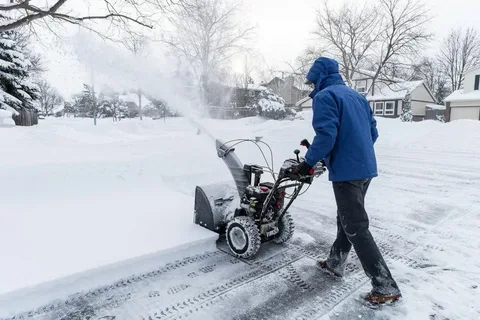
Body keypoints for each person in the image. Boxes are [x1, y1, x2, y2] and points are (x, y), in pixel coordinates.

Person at [294, 57, 402, 305]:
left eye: (312, 82)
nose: (312, 87)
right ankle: (335, 263)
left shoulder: (325, 97)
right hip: (365, 169)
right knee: (347, 218)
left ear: (319, 77)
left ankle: (385, 286)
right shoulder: (357, 96)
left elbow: (327, 135)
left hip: (347, 173)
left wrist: (307, 163)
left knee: (356, 227)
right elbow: (372, 131)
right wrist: (355, 153)